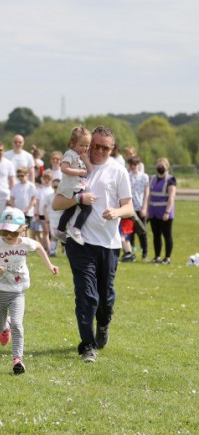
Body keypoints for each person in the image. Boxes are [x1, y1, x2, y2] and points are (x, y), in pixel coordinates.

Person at [52, 126, 133, 363]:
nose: (98, 151)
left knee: (105, 297)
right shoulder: (76, 168)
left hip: (109, 244)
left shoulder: (118, 172)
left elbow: (129, 207)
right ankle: (87, 345)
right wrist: (79, 198)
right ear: (88, 144)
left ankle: (104, 324)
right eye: (94, 145)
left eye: (104, 148)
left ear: (112, 149)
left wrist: (116, 211)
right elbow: (57, 203)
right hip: (80, 242)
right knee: (86, 295)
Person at [0, 207, 58, 374]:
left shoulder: (25, 243)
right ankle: (5, 327)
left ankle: (18, 359)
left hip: (18, 290)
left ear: (23, 230)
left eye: (14, 233)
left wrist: (50, 265)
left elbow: (39, 247)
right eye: (5, 232)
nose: (8, 236)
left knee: (18, 324)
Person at [53, 126, 94, 246]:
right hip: (72, 187)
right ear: (72, 143)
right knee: (87, 208)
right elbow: (63, 168)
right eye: (82, 145)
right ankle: (76, 229)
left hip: (78, 187)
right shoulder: (70, 154)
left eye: (87, 145)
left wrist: (86, 159)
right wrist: (79, 172)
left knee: (70, 210)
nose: (85, 148)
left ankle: (60, 230)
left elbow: (90, 170)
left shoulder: (81, 156)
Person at [147, 157, 176, 264]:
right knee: (156, 235)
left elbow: (171, 197)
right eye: (159, 164)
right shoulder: (152, 179)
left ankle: (167, 258)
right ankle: (157, 256)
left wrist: (167, 212)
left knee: (167, 234)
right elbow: (149, 195)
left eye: (163, 164)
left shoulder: (171, 180)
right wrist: (147, 210)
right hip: (153, 212)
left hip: (165, 213)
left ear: (167, 166)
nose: (160, 166)